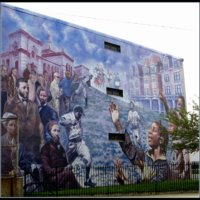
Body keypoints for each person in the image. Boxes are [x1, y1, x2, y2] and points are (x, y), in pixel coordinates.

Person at [109, 102, 169, 182]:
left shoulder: (164, 167)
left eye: (153, 130)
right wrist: (117, 123)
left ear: (161, 140)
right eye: (150, 129)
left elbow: (153, 186)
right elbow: (129, 148)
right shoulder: (144, 156)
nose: (149, 131)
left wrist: (143, 168)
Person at [3, 78, 43, 165]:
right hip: (18, 146)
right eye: (24, 88)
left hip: (33, 146)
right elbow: (5, 127)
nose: (27, 90)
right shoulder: (10, 104)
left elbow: (39, 124)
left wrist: (41, 142)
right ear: (17, 88)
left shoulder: (33, 105)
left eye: (28, 88)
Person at [59, 105, 96, 187]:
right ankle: (63, 182)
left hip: (80, 143)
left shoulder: (79, 118)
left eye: (81, 114)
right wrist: (70, 122)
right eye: (79, 114)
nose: (80, 116)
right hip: (71, 144)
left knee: (89, 159)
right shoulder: (69, 116)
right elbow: (61, 121)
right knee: (66, 163)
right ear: (76, 112)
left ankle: (87, 180)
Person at [40, 120, 81, 189]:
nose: (57, 133)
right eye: (54, 130)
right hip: (51, 179)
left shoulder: (60, 147)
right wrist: (63, 169)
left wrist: (68, 166)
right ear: (49, 132)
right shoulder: (45, 148)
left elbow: (65, 163)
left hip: (61, 176)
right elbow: (48, 171)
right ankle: (81, 191)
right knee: (69, 174)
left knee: (69, 183)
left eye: (58, 131)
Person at [159, 91, 190, 179]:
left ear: (183, 105)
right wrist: (164, 101)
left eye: (181, 104)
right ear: (177, 104)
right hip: (177, 143)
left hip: (185, 143)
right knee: (179, 164)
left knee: (187, 162)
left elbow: (188, 130)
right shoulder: (174, 114)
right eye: (178, 104)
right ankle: (179, 180)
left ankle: (187, 179)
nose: (179, 106)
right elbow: (168, 111)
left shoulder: (185, 116)